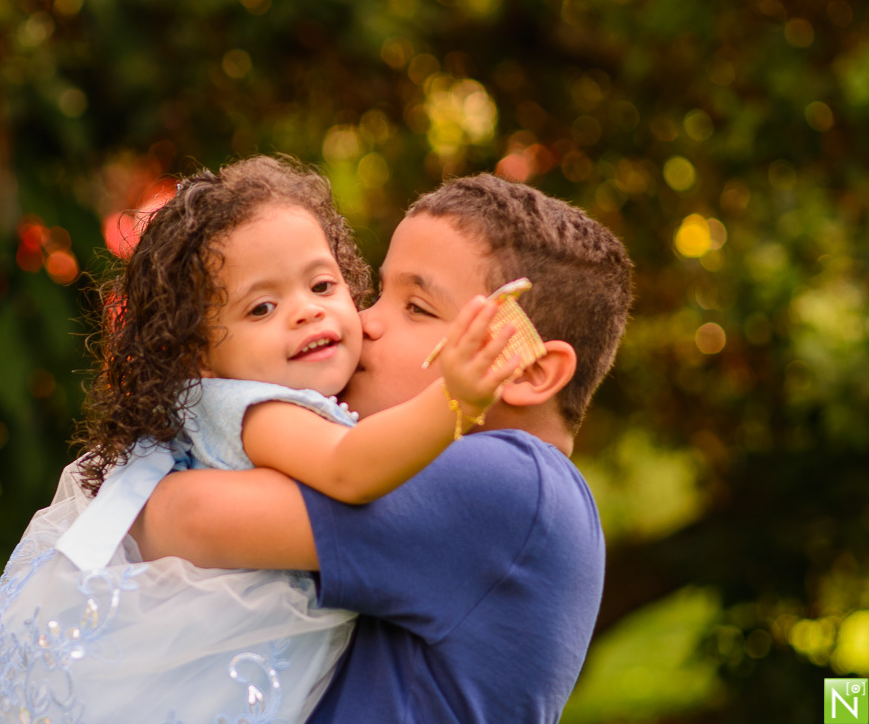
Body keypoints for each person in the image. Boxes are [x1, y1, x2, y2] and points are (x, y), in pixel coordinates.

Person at [0, 157, 522, 723]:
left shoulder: (264, 401)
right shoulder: (259, 409)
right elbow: (349, 469)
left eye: (322, 285)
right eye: (261, 308)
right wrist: (453, 399)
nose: (305, 312)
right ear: (199, 355)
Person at [133, 172, 635, 722]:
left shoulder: (513, 483)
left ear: (527, 369)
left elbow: (184, 516)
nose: (363, 321)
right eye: (377, 294)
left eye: (416, 307)